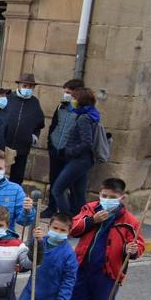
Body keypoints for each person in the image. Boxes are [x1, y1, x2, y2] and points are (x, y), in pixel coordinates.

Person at [51, 178, 145, 300]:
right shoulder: (90, 209)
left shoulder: (130, 221)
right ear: (99, 194)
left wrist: (132, 249)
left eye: (112, 197)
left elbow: (139, 245)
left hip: (108, 274)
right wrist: (92, 221)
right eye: (104, 195)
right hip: (82, 268)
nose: (107, 199)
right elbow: (73, 229)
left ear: (122, 197)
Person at [49, 86, 101, 219]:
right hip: (83, 160)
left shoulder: (83, 118)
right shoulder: (89, 115)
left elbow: (86, 142)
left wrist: (70, 151)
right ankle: (81, 219)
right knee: (79, 193)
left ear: (81, 101)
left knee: (57, 189)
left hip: (79, 160)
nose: (72, 100)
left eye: (74, 98)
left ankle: (66, 220)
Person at [45, 78, 86, 216]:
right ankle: (51, 208)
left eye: (68, 92)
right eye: (65, 92)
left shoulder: (84, 111)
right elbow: (53, 126)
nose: (66, 95)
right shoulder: (61, 106)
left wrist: (72, 150)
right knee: (54, 179)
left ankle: (72, 213)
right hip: (56, 149)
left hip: (71, 153)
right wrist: (50, 145)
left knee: (72, 184)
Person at [3, 73, 45, 185]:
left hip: (22, 147)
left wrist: (34, 136)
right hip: (3, 144)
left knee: (17, 177)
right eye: (25, 86)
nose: (27, 89)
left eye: (30, 87)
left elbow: (39, 124)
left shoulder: (35, 103)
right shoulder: (7, 98)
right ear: (19, 85)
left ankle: (12, 200)